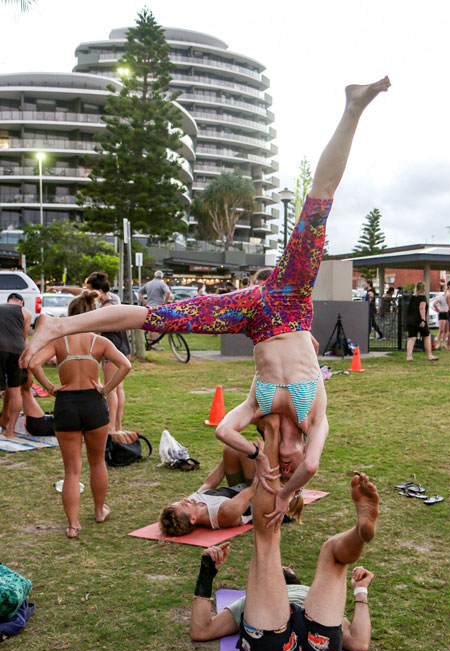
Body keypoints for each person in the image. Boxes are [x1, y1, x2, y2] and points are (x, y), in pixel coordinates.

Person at [21, 77, 391, 525]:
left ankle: (59, 324)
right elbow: (310, 465)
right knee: (319, 206)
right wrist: (285, 490)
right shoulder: (316, 419)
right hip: (290, 304)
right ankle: (353, 107)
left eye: (286, 463)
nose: (291, 461)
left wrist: (262, 462)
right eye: (289, 463)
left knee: (155, 317)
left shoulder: (257, 413)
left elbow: (223, 430)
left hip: (252, 317)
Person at [190, 470, 378, 651]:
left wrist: (206, 575)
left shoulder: (258, 600)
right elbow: (359, 642)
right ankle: (358, 534)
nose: (282, 569)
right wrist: (360, 592)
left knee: (266, 542)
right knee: (332, 553)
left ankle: (361, 531)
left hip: (268, 650)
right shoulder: (311, 595)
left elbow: (202, 631)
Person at [29, 290, 131, 538]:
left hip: (66, 404)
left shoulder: (59, 342)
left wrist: (50, 388)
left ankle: (73, 525)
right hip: (93, 403)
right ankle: (98, 511)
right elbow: (126, 365)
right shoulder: (100, 342)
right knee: (97, 462)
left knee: (72, 470)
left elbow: (33, 364)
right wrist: (106, 389)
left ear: (70, 316)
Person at [190, 543, 373, 651]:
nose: (282, 567)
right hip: (285, 636)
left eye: (284, 568)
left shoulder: (313, 595)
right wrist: (206, 573)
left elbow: (359, 643)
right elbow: (201, 631)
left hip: (300, 631)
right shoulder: (253, 601)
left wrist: (361, 589)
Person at [160, 419, 304, 536]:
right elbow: (255, 487)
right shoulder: (224, 514)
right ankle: (275, 432)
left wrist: (233, 441)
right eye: (184, 505)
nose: (185, 500)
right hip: (261, 497)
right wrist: (257, 454)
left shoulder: (194, 503)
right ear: (193, 519)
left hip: (243, 488)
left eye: (181, 501)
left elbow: (209, 483)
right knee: (246, 453)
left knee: (231, 449)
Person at [52, 272, 131, 433]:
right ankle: (117, 425)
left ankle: (111, 427)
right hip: (123, 344)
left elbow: (94, 327)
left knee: (111, 389)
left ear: (98, 291)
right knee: (119, 388)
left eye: (89, 290)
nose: (87, 293)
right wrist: (63, 288)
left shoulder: (106, 308)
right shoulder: (114, 299)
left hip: (113, 344)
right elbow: (80, 295)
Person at [0, 293, 31, 438]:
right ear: (21, 302)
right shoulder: (25, 312)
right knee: (14, 390)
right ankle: (10, 430)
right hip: (16, 351)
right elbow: (23, 338)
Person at [405, 282, 438, 362]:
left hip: (410, 319)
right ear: (424, 288)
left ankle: (409, 356)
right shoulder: (422, 297)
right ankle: (429, 355)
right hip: (419, 320)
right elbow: (421, 308)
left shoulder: (412, 297)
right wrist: (423, 319)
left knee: (412, 338)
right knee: (426, 336)